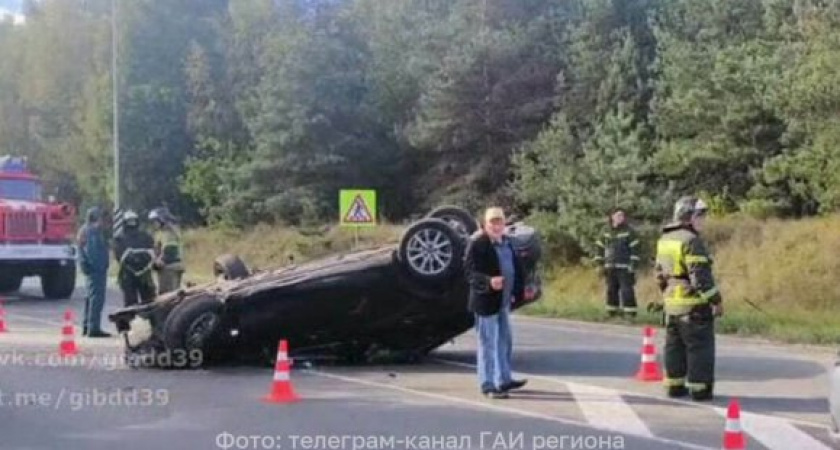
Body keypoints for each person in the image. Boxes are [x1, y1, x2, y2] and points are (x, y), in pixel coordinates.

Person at [654, 196, 723, 401]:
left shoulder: (665, 239)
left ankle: (674, 386)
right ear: (688, 217)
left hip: (671, 305)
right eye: (700, 216)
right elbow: (700, 278)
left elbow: (659, 274)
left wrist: (665, 295)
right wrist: (716, 301)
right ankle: (700, 389)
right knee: (699, 347)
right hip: (693, 306)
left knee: (674, 346)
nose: (703, 220)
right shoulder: (691, 241)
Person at [464, 207, 530, 399]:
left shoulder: (507, 243)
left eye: (499, 221)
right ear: (485, 224)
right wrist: (488, 281)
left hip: (504, 302)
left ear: (504, 224)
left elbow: (516, 269)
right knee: (488, 343)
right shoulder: (478, 244)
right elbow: (469, 273)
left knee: (504, 341)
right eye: (492, 222)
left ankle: (504, 379)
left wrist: (518, 291)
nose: (496, 225)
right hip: (485, 302)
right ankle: (488, 384)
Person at [594, 207, 641, 318]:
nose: (621, 218)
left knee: (627, 290)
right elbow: (599, 247)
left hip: (625, 267)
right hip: (610, 266)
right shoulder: (606, 231)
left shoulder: (629, 231)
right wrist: (599, 264)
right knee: (611, 290)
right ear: (612, 217)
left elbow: (635, 249)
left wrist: (633, 264)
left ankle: (630, 313)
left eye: (622, 216)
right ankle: (612, 312)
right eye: (618, 215)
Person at [77, 206, 111, 337]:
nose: (103, 222)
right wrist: (101, 266)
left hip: (91, 269)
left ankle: (87, 326)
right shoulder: (93, 231)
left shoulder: (84, 230)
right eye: (101, 218)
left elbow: (82, 250)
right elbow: (94, 252)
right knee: (96, 299)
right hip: (96, 270)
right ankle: (93, 328)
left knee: (90, 298)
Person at [113, 210, 156, 307]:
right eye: (129, 221)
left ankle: (145, 320)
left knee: (146, 302)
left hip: (139, 273)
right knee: (136, 302)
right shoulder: (120, 238)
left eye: (133, 220)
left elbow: (151, 252)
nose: (131, 223)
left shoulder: (145, 236)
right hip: (131, 273)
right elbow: (119, 256)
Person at [149, 207, 184, 294]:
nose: (153, 224)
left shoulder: (168, 232)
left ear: (161, 220)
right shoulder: (167, 231)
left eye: (155, 221)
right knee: (174, 295)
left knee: (166, 296)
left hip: (169, 268)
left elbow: (170, 250)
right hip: (175, 266)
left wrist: (159, 261)